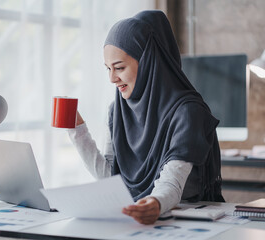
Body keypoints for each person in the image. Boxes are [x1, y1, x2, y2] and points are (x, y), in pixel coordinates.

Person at [68, 10, 224, 225]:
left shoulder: (188, 112)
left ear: (150, 62)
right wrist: (77, 130)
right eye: (108, 69)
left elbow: (172, 183)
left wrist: (155, 203)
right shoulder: (118, 111)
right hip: (141, 218)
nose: (112, 78)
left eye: (119, 68)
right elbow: (111, 181)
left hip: (187, 221)